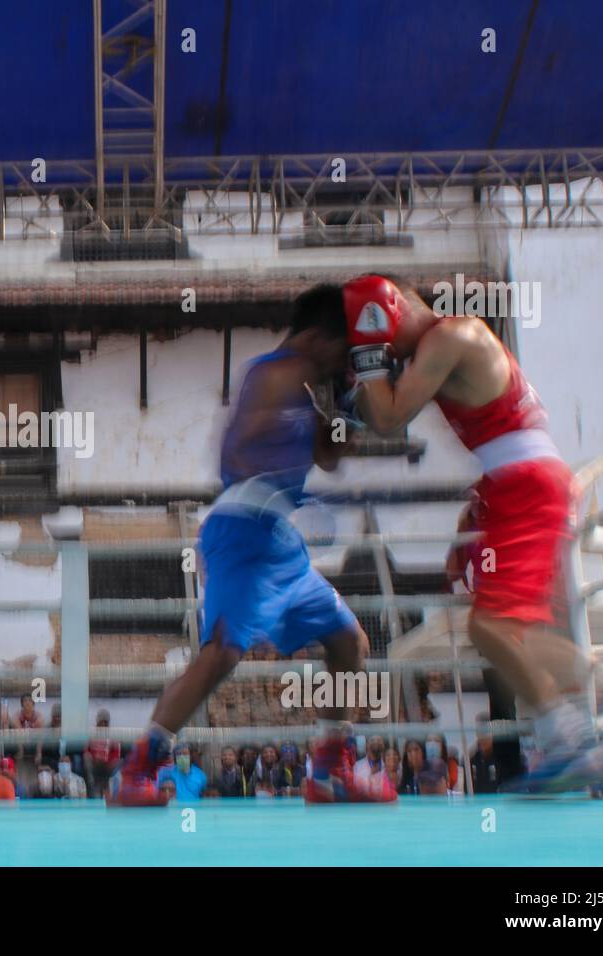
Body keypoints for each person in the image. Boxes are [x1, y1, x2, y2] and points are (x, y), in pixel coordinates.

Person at [341, 274, 603, 793]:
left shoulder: (453, 335)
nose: (385, 350)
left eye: (377, 329)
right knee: (509, 632)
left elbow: (389, 416)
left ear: (392, 308)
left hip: (528, 486)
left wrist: (367, 353)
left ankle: (575, 741)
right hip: (507, 487)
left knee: (488, 629)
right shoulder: (442, 345)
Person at [112, 285, 388, 806]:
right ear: (315, 336)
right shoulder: (274, 373)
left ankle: (328, 771)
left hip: (281, 541)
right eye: (339, 347)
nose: (339, 359)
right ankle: (136, 773)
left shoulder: (310, 387)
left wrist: (346, 412)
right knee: (221, 654)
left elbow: (329, 458)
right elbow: (237, 453)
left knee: (350, 642)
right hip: (244, 526)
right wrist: (304, 427)